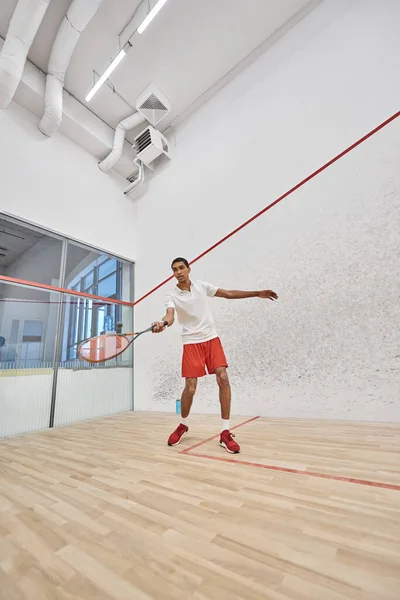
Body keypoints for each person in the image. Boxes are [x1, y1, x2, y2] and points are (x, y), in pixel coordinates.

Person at [152, 258, 278, 453]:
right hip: (191, 343)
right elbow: (169, 315)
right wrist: (163, 323)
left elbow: (228, 294)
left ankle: (225, 432)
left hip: (211, 339)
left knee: (223, 377)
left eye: (181, 268)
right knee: (191, 389)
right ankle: (183, 424)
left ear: (188, 269)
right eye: (174, 270)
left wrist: (256, 293)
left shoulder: (202, 286)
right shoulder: (172, 295)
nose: (178, 272)